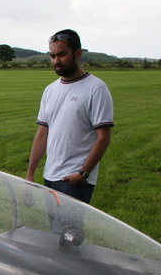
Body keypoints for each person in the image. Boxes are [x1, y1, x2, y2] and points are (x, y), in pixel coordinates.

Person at [26, 29, 113, 204]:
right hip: (49, 177)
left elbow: (103, 137)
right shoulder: (50, 90)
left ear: (78, 53)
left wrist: (83, 174)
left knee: (70, 231)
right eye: (52, 56)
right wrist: (30, 174)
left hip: (74, 180)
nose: (56, 61)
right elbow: (42, 133)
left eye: (62, 54)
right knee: (55, 230)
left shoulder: (96, 88)